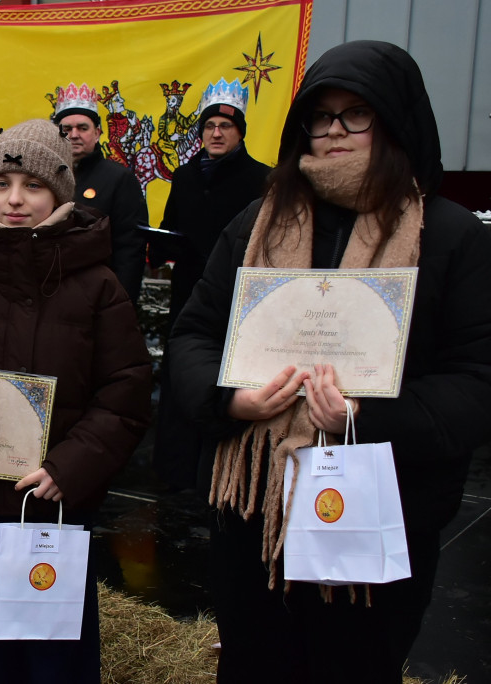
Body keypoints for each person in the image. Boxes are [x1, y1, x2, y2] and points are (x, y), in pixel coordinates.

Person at [168, 41, 491, 683]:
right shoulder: (258, 224)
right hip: (255, 516)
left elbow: (476, 381)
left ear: (397, 120)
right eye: (321, 115)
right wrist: (230, 397)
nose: (335, 130)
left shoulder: (451, 237)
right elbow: (194, 335)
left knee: (355, 667)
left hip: (377, 520)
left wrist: (365, 416)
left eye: (357, 113)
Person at [0, 119, 154, 683]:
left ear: (61, 191)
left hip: (57, 508)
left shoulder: (97, 285)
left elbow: (127, 390)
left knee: (55, 656)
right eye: (2, 184)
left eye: (33, 186)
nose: (14, 199)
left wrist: (70, 467)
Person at [153, 78, 270, 490]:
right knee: (182, 376)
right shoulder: (184, 177)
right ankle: (174, 472)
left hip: (238, 302)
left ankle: (215, 476)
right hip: (188, 295)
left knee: (225, 382)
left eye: (225, 126)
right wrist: (160, 244)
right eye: (209, 126)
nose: (216, 133)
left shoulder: (262, 179)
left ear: (240, 132)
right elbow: (171, 227)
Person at [51, 82, 149, 304]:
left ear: (97, 133)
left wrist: (120, 302)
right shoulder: (43, 177)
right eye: (66, 129)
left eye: (82, 128)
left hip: (97, 296)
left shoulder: (119, 179)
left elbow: (130, 249)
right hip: (49, 293)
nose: (74, 135)